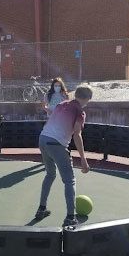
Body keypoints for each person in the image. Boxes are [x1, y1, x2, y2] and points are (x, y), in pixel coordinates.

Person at [34, 85, 93, 227]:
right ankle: (70, 217)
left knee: (50, 174)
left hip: (43, 139)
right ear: (86, 99)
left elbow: (50, 116)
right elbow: (77, 135)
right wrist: (84, 160)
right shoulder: (80, 111)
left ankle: (41, 209)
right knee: (69, 180)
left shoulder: (62, 104)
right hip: (56, 144)